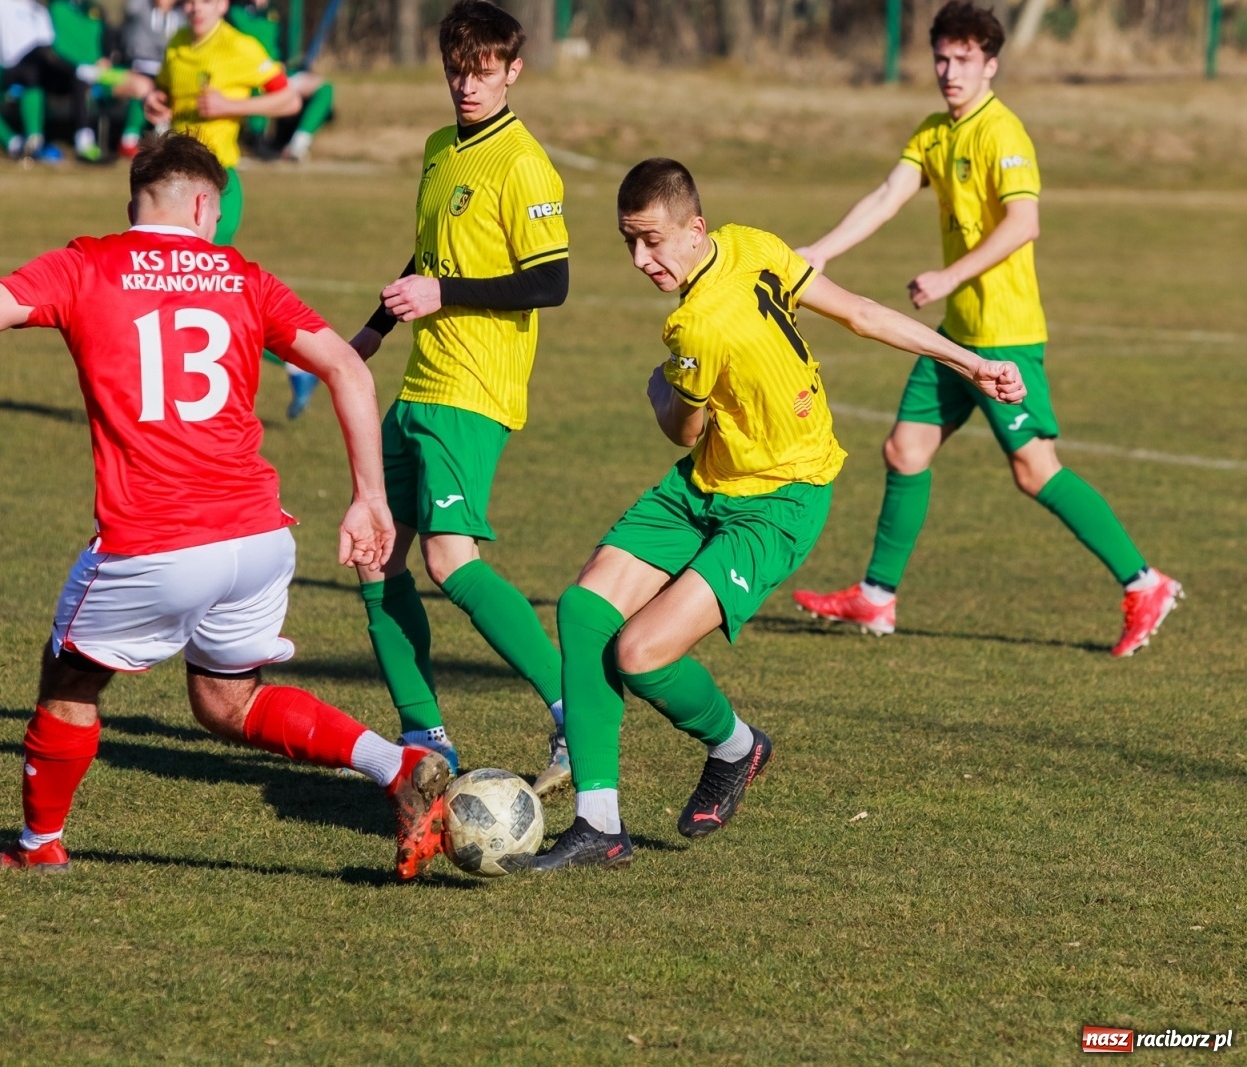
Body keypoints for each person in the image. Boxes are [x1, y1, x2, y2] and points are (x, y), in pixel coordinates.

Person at [0, 132, 454, 883]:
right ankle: (400, 764)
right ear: (205, 204)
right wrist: (367, 497)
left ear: (136, 199)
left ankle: (38, 848)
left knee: (68, 679)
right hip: (259, 538)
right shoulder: (242, 276)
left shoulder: (86, 263)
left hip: (155, 542)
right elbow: (346, 370)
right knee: (225, 701)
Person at [531, 159, 1025, 871]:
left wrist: (657, 389)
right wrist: (969, 361)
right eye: (628, 243)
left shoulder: (693, 325)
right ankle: (598, 823)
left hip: (781, 501)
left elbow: (683, 426)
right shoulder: (752, 243)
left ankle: (736, 745)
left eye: (653, 240)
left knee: (639, 654)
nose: (642, 259)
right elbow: (858, 312)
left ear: (695, 230)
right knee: (583, 609)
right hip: (705, 486)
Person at [790, 1, 1180, 658]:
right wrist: (824, 250)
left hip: (1004, 335)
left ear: (990, 64)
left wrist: (946, 277)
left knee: (1034, 470)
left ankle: (1146, 583)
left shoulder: (1003, 134)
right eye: (941, 58)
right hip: (957, 334)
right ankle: (878, 597)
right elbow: (888, 195)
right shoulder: (936, 132)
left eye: (963, 60)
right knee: (904, 451)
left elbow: (1023, 223)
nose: (949, 71)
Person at [346, 0, 571, 794]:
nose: (467, 85)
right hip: (417, 384)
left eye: (483, 71)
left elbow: (552, 280)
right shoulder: (443, 149)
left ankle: (573, 707)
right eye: (456, 69)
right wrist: (374, 329)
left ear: (513, 71)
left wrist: (444, 295)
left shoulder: (524, 164)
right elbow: (427, 256)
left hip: (473, 388)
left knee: (449, 558)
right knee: (376, 557)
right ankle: (423, 737)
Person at [141, 0, 317, 417]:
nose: (196, 8)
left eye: (206, 0)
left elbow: (289, 101)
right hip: (172, 187)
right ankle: (291, 361)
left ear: (222, 4)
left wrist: (232, 107)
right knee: (181, 295)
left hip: (217, 188)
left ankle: (197, 399)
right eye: (190, 1)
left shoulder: (243, 48)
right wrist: (155, 105)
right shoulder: (178, 44)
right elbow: (163, 95)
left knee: (197, 295)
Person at [0, 0, 97, 161]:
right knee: (36, 64)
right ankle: (34, 141)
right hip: (8, 69)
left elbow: (49, 50)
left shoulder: (41, 11)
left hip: (38, 70)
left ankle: (84, 141)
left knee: (76, 79)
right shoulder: (1, 3)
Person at [226, 0, 334, 163]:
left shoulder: (276, 12)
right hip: (250, 74)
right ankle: (257, 139)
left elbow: (286, 52)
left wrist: (288, 66)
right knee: (260, 83)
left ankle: (297, 144)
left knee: (324, 88)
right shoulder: (232, 10)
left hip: (279, 72)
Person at [118, 0, 185, 158]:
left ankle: (164, 136)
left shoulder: (180, 16)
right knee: (143, 87)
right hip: (139, 65)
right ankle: (129, 137)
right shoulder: (141, 8)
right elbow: (131, 6)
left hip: (167, 68)